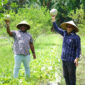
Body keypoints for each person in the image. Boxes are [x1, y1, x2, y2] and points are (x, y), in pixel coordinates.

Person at [51, 16, 81, 85]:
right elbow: (56, 29)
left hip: (71, 60)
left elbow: (78, 48)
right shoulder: (64, 33)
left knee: (71, 76)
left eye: (70, 27)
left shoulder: (76, 37)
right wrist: (53, 20)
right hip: (64, 59)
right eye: (67, 26)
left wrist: (77, 58)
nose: (68, 28)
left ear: (73, 28)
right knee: (65, 75)